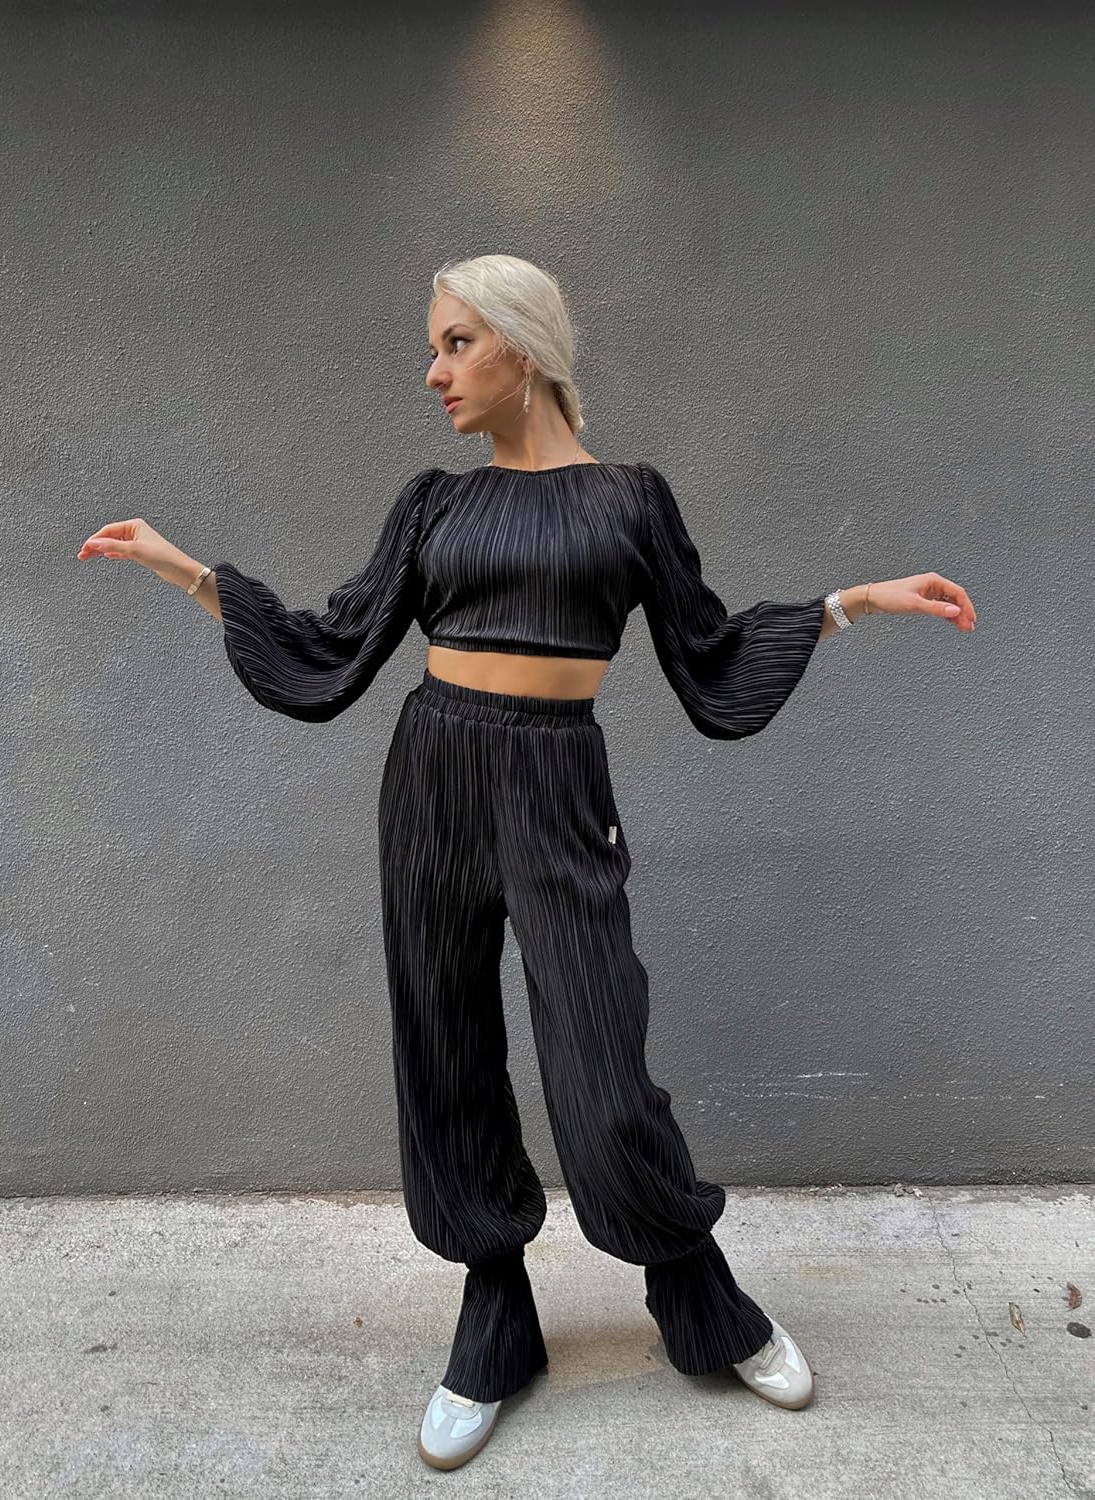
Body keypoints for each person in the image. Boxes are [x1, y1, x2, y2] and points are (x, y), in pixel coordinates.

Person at [77, 253, 977, 1472]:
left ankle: (695, 1291)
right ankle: (495, 1316)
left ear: (524, 345)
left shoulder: (630, 500)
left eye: (455, 343)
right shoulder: (434, 505)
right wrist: (184, 569)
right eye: (435, 346)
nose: (433, 371)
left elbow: (709, 654)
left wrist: (852, 602)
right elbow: (333, 643)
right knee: (444, 1044)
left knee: (602, 1064)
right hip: (433, 774)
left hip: (557, 784)